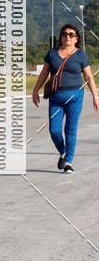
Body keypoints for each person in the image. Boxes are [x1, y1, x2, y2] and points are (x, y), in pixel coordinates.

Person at [32, 24, 98, 172]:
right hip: (56, 98)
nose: (67, 37)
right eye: (64, 34)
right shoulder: (52, 53)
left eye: (71, 34)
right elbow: (44, 74)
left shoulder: (81, 55)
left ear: (76, 38)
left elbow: (88, 76)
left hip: (75, 97)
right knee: (54, 130)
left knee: (70, 129)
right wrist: (35, 90)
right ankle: (63, 152)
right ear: (60, 37)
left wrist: (95, 97)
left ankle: (68, 162)